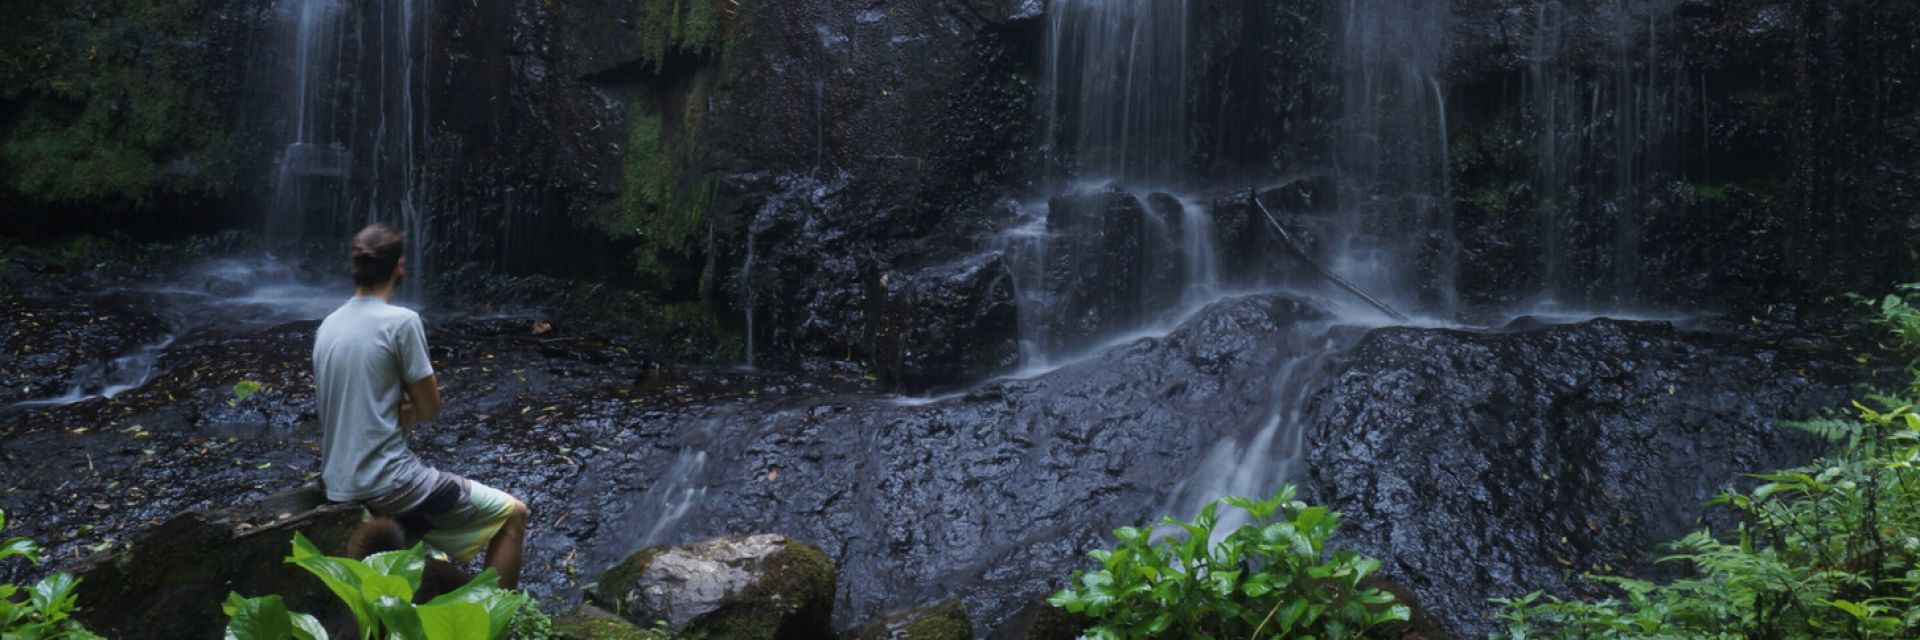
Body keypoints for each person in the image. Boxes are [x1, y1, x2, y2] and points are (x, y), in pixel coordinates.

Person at [312, 223, 529, 588]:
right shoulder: (402, 322)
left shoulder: (328, 326)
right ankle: (495, 621)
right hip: (388, 482)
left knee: (429, 547)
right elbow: (431, 410)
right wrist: (410, 406)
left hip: (337, 480)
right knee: (514, 515)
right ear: (399, 267)